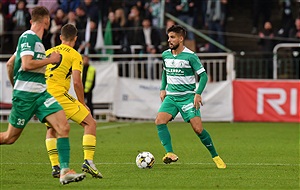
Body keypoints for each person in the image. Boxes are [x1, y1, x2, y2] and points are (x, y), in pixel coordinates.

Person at [0, 6, 86, 185]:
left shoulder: (38, 43)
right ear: (46, 21)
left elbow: (10, 65)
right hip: (26, 95)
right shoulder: (28, 37)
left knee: (63, 127)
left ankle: (64, 171)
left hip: (41, 94)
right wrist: (51, 60)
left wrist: (15, 83)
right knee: (9, 138)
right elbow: (26, 64)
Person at [155, 25, 226, 169]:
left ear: (181, 39)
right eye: (168, 37)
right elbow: (165, 72)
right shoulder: (166, 55)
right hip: (171, 98)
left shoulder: (190, 56)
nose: (169, 40)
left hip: (187, 98)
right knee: (159, 121)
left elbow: (204, 76)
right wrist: (163, 88)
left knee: (198, 129)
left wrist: (198, 94)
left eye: (173, 37)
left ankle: (215, 156)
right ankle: (170, 153)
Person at [45, 24, 103, 178]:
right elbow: (77, 82)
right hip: (59, 95)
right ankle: (88, 161)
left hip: (44, 96)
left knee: (51, 128)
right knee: (90, 123)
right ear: (75, 39)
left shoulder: (49, 52)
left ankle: (55, 167)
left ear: (60, 37)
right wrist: (82, 103)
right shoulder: (75, 54)